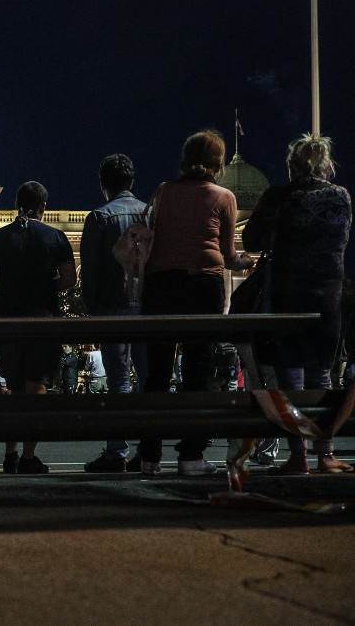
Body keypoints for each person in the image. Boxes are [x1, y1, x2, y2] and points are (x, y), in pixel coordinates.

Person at [139, 130, 254, 476]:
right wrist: (246, 262)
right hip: (202, 284)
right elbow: (229, 256)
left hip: (161, 285)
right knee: (197, 372)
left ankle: (149, 456)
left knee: (157, 372)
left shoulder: (162, 191)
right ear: (218, 163)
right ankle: (191, 455)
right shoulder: (224, 197)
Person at [244, 133, 352, 474]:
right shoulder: (341, 197)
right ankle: (325, 453)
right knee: (322, 375)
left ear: (291, 167)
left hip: (287, 295)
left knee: (291, 378)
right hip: (328, 295)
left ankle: (298, 454)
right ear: (325, 166)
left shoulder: (278, 197)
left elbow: (251, 240)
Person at [0, 181, 76, 475]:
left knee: (13, 388)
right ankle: (28, 457)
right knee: (36, 387)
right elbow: (70, 279)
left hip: (9, 322)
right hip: (42, 322)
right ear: (43, 207)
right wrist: (46, 287)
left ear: (17, 204)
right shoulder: (55, 236)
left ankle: (10, 454)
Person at [80, 153, 149, 473]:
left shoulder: (99, 217)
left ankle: (116, 451)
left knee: (118, 380)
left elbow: (90, 271)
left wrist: (91, 308)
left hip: (112, 307)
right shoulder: (150, 214)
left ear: (102, 184)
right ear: (131, 181)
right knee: (148, 380)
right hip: (147, 309)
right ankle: (148, 452)